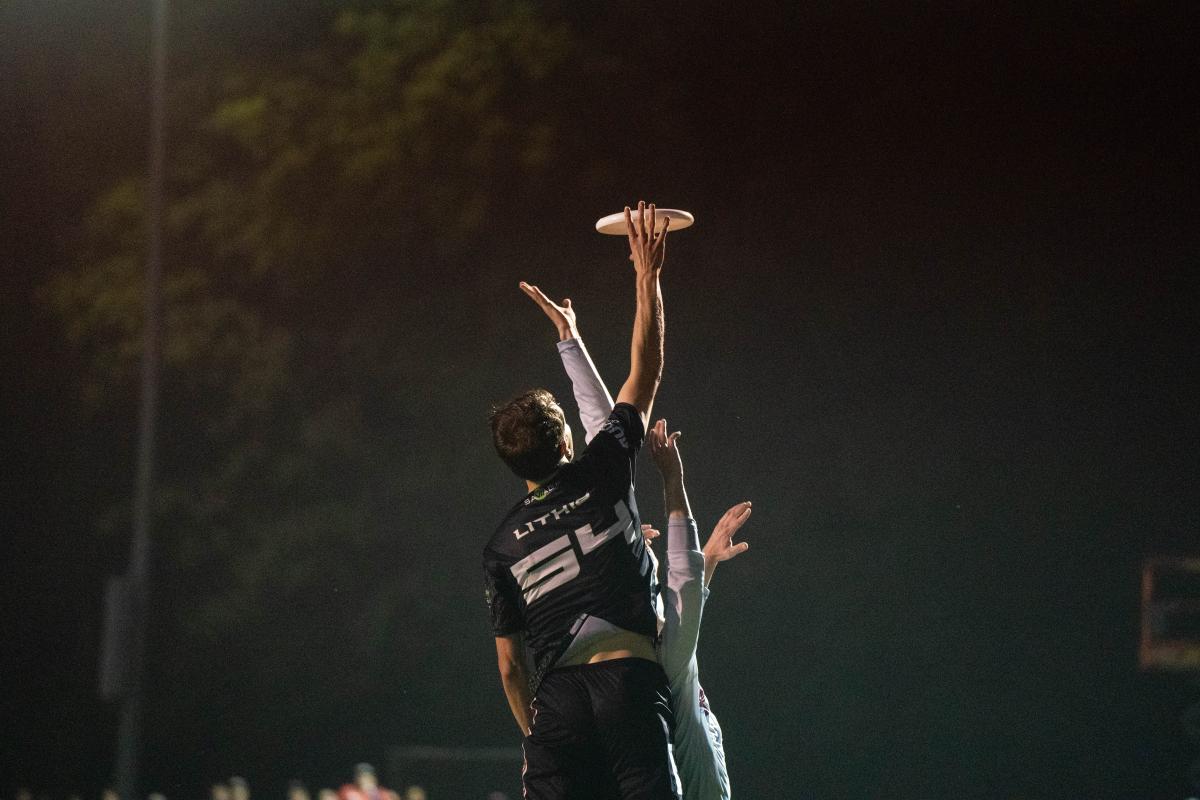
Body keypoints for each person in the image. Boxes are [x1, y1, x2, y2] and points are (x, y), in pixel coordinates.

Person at [522, 283, 751, 800]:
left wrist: (570, 338)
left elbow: (683, 594)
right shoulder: (659, 656)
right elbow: (683, 587)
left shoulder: (649, 640)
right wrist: (672, 481)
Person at [484, 202, 678, 799]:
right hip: (627, 681)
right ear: (568, 443)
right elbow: (645, 369)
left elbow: (511, 667)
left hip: (558, 706)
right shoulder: (602, 469)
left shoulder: (501, 546)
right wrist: (647, 276)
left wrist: (539, 739)